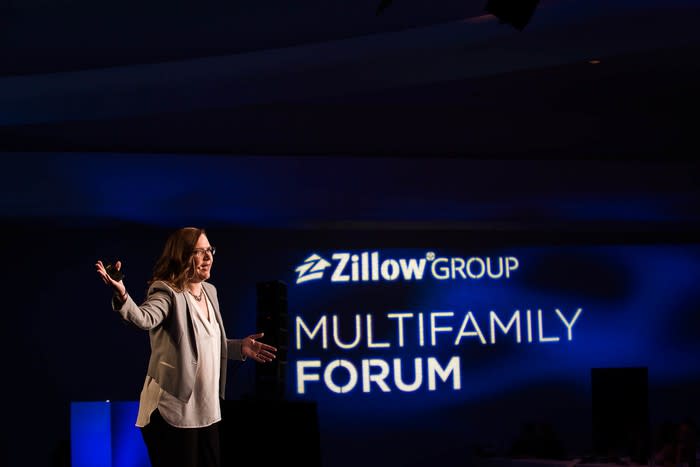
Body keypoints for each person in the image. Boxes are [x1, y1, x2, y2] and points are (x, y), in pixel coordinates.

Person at [95, 227, 277, 467]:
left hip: (207, 410)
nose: (209, 257)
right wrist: (122, 296)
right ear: (182, 256)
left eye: (210, 250)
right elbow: (143, 318)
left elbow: (203, 343)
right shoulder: (166, 292)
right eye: (200, 252)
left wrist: (239, 348)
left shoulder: (210, 291)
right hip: (174, 410)